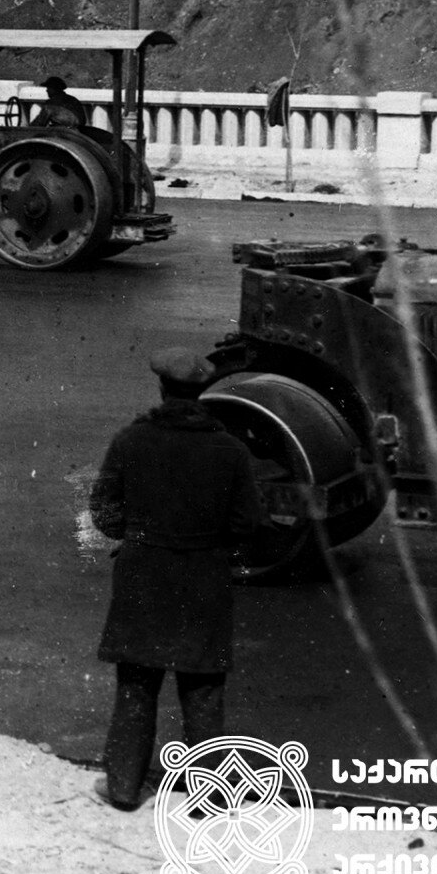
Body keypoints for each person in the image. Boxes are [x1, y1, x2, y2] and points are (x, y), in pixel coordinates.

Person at [89, 348, 263, 811]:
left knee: (136, 684)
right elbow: (248, 523)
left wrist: (139, 534)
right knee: (202, 689)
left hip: (143, 575)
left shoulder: (130, 441)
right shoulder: (230, 450)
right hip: (204, 580)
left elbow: (104, 513)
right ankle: (208, 795)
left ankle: (123, 787)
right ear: (202, 391)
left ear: (162, 388)